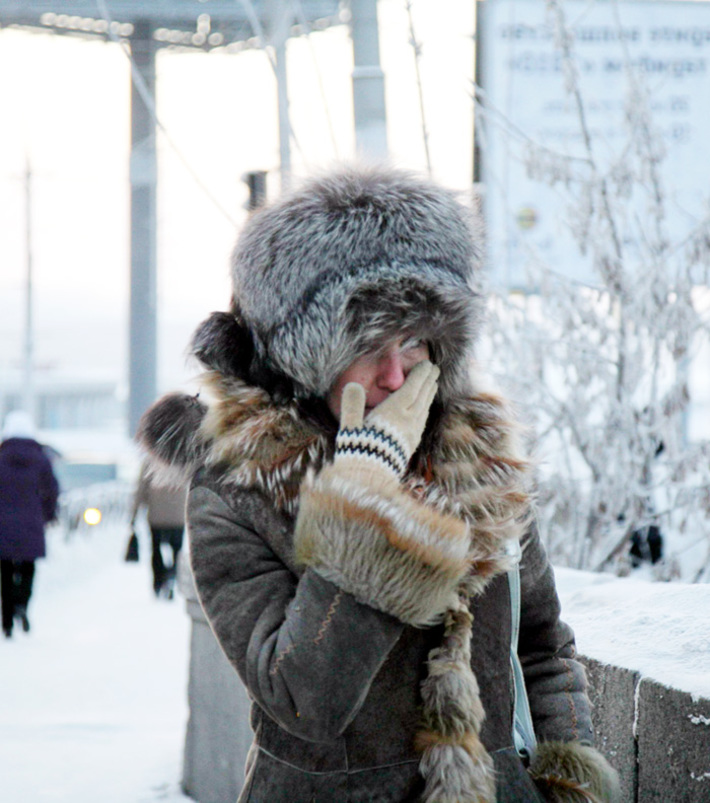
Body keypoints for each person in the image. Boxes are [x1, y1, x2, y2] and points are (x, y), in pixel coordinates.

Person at [137, 165, 620, 802]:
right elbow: (304, 699)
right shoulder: (240, 488)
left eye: (415, 340)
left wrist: (565, 780)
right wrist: (365, 493)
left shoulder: (476, 456)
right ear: (303, 355)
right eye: (367, 345)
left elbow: (542, 643)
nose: (395, 374)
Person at [0, 410, 59, 638]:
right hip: (31, 522)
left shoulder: (1, 457)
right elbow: (52, 490)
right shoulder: (41, 458)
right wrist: (47, 514)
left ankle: (6, 623)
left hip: (2, 525)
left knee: (5, 571)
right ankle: (22, 604)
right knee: (28, 568)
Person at [129, 459, 186, 598]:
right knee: (177, 550)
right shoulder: (182, 459)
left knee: (156, 550)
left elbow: (141, 489)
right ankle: (172, 574)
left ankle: (159, 582)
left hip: (157, 516)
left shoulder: (150, 461)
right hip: (178, 516)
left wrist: (134, 514)